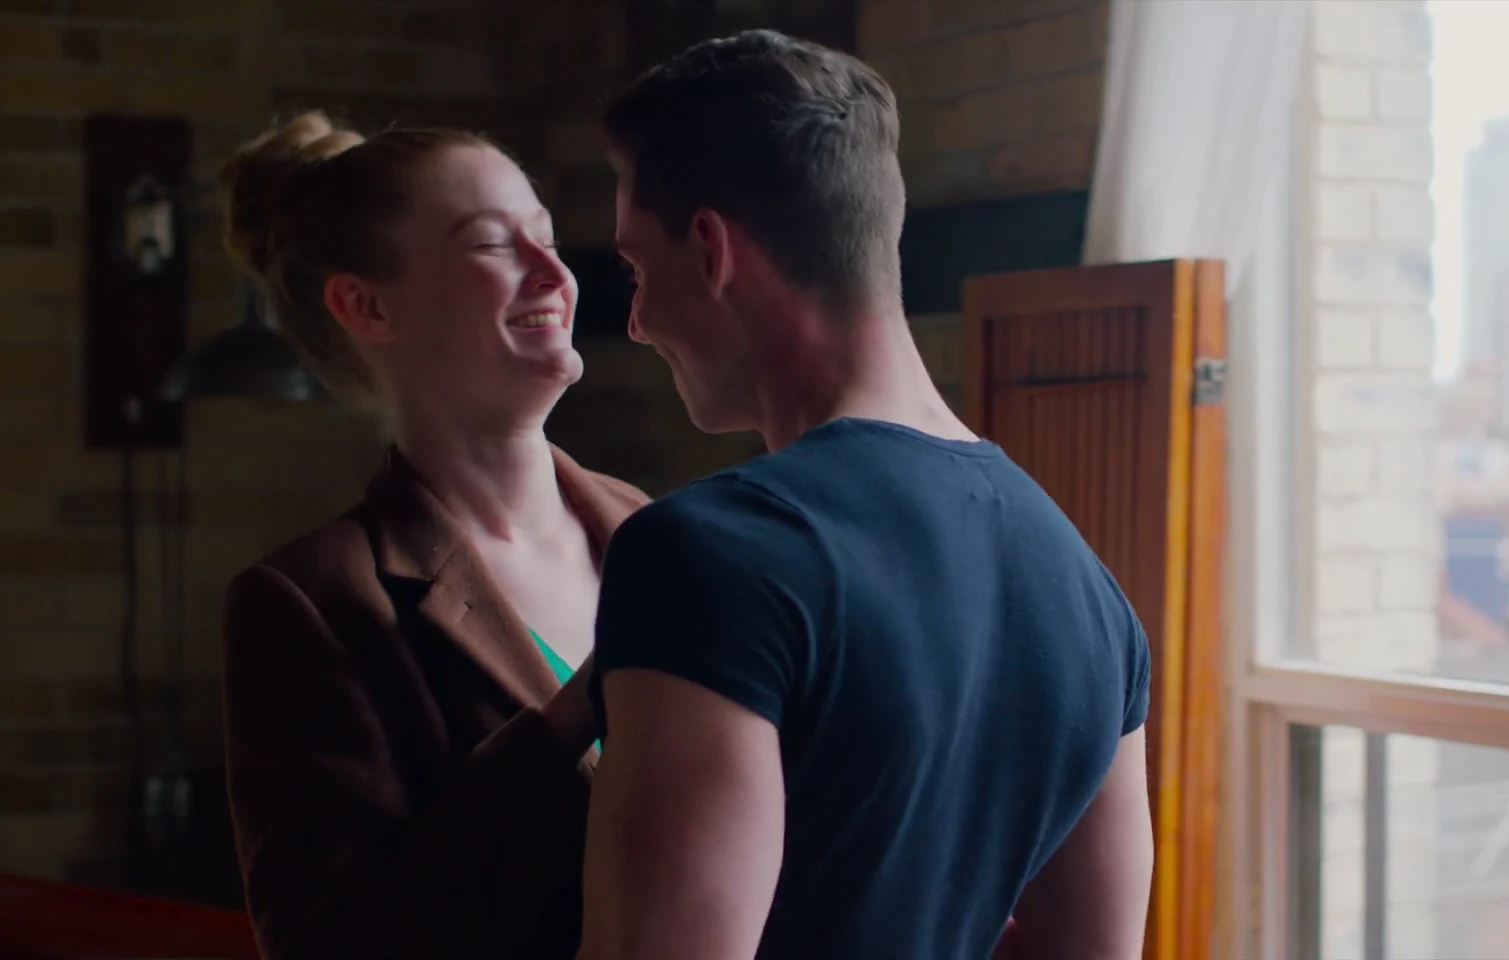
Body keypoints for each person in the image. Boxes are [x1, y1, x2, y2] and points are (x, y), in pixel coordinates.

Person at [579, 30, 1154, 960]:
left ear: (713, 249)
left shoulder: (701, 556)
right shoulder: (1089, 592)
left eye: (639, 271)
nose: (638, 322)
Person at [216, 111, 649, 960]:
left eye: (546, 237)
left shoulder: (650, 528)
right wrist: (576, 712)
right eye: (492, 244)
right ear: (366, 305)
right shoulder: (310, 604)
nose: (553, 273)